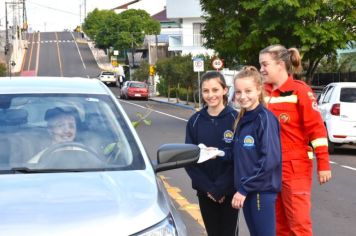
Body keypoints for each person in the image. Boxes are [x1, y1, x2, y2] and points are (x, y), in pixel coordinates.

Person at [259, 44, 332, 236]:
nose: (261, 69)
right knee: (278, 225)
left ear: (280, 65)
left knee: (298, 225)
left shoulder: (299, 91)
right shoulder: (262, 93)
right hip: (269, 167)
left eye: (265, 64)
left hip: (295, 166)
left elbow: (316, 129)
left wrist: (323, 164)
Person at [185, 71, 239, 236]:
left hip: (230, 191)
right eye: (206, 91)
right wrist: (209, 188)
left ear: (224, 90)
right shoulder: (194, 121)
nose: (211, 95)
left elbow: (240, 157)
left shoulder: (236, 118)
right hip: (205, 192)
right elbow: (189, 159)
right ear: (201, 93)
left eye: (215, 90)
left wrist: (221, 188)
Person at [231, 66, 282, 236]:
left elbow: (269, 160)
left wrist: (244, 189)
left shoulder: (265, 118)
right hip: (249, 190)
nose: (242, 96)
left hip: (261, 191)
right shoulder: (243, 118)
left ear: (259, 90)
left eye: (248, 91)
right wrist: (218, 152)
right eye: (238, 92)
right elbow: (241, 154)